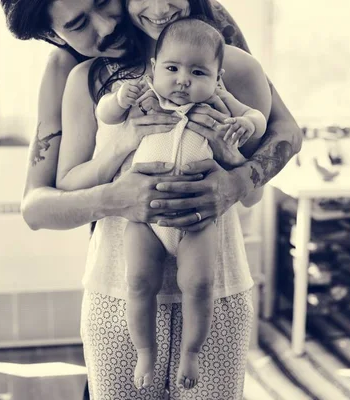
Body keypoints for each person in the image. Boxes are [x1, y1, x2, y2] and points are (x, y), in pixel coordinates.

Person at [0, 0, 303, 398]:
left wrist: (235, 181)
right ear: (53, 35)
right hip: (120, 288)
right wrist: (117, 193)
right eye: (77, 24)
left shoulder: (211, 41)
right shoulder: (76, 75)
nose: (106, 25)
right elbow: (37, 205)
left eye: (104, 4)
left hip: (218, 287)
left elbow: (285, 135)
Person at [59, 17, 268, 390]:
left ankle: (192, 352)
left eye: (198, 72)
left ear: (216, 77)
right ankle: (145, 352)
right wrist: (119, 102)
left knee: (200, 284)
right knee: (138, 281)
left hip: (198, 223)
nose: (183, 80)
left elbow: (256, 119)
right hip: (142, 223)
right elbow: (105, 112)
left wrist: (245, 131)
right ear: (156, 69)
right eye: (172, 69)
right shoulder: (142, 95)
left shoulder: (218, 103)